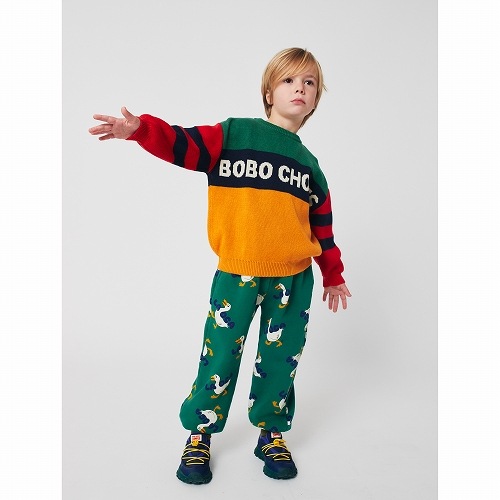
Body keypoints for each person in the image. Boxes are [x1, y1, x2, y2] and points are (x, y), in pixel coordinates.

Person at [89, 47, 351, 485]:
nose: (300, 88)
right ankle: (200, 434)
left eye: (309, 83)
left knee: (280, 359)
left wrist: (334, 274)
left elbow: (321, 227)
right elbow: (184, 144)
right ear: (269, 92)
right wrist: (141, 130)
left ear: (316, 99)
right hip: (238, 272)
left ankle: (271, 433)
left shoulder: (310, 166)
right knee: (219, 355)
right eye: (289, 80)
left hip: (293, 279)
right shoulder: (235, 134)